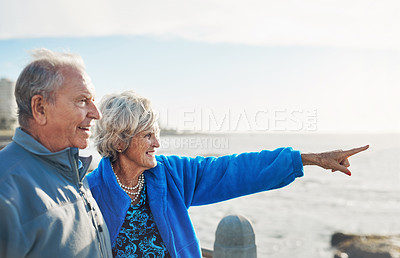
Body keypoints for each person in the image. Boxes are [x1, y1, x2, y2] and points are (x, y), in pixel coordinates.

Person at [86, 90, 369, 258]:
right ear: (120, 140)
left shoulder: (170, 175)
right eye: (147, 135)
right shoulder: (88, 193)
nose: (157, 143)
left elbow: (233, 170)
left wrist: (311, 159)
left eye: (156, 134)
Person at [0, 49, 113, 257]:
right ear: (40, 108)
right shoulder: (6, 192)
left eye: (93, 100)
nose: (96, 114)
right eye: (82, 100)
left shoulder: (73, 172)